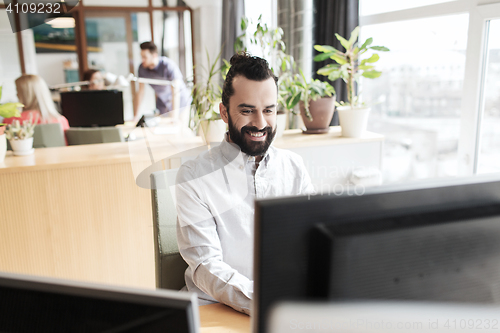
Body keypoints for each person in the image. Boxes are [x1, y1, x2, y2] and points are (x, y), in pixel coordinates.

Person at [175, 53, 314, 315]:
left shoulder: (294, 167)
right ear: (224, 113)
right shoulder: (193, 176)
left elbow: (310, 244)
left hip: (286, 307)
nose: (260, 123)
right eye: (247, 110)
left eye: (268, 110)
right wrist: (267, 303)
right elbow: (206, 265)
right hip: (215, 308)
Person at [134, 41, 190, 117]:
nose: (142, 60)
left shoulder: (168, 65)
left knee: (179, 126)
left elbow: (175, 91)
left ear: (154, 56)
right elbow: (141, 92)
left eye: (145, 57)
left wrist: (175, 116)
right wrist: (135, 117)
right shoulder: (142, 68)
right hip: (163, 104)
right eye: (141, 57)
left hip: (180, 103)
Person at [3, 74, 70, 134]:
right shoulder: (60, 120)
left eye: (17, 91)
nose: (16, 94)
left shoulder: (10, 121)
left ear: (22, 95)